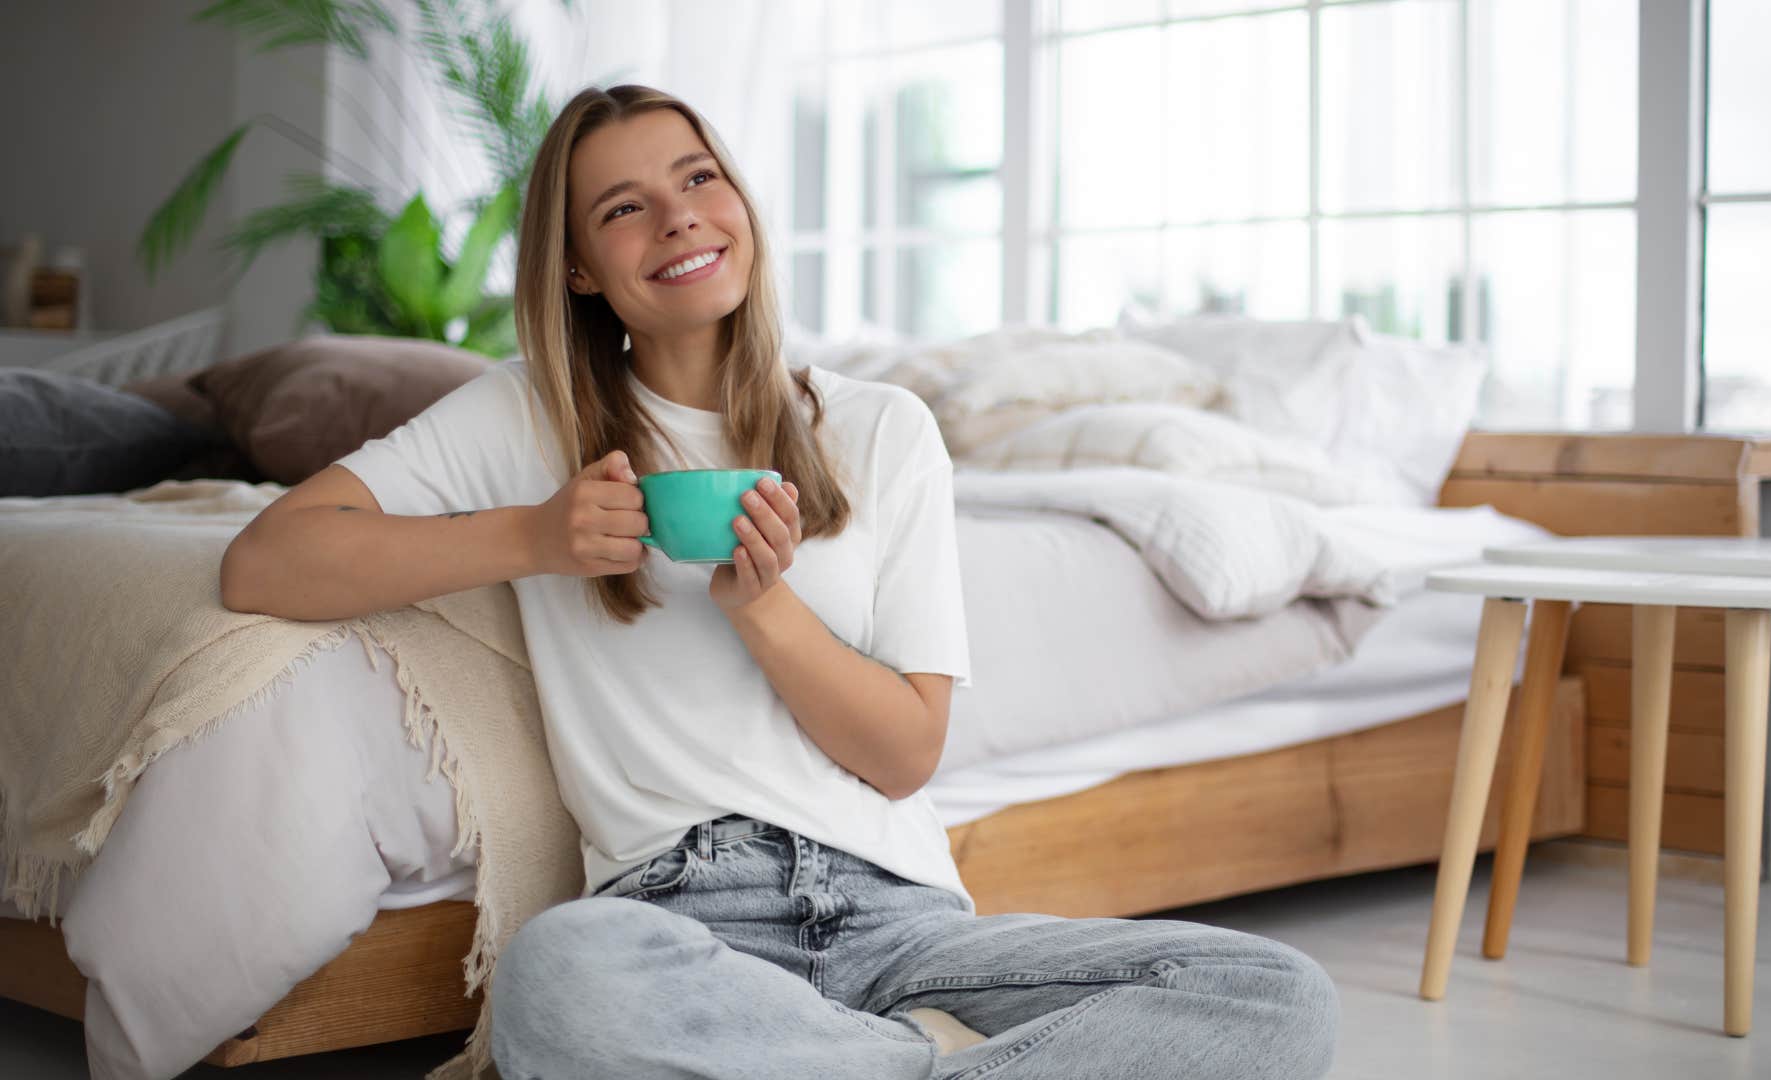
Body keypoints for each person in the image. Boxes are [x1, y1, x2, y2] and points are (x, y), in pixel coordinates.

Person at [220, 84, 1338, 1080]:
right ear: (576, 267)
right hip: (679, 918)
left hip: (902, 920)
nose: (679, 218)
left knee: (1276, 996)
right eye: (623, 208)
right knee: (556, 975)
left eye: (698, 179)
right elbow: (266, 559)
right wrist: (532, 538)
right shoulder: (529, 419)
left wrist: (766, 612)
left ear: (740, 201)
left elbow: (905, 753)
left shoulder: (882, 428)